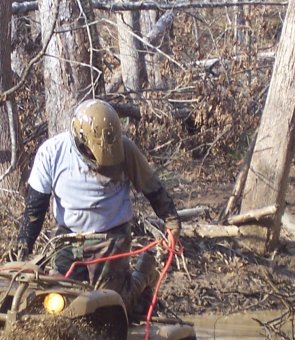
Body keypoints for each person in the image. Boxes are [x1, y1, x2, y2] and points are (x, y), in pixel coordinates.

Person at [16, 99, 181, 318]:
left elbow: (152, 187)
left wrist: (171, 222)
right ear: (81, 139)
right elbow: (35, 208)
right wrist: (22, 246)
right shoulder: (52, 152)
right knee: (58, 301)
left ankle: (144, 275)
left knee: (112, 305)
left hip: (111, 236)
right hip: (67, 238)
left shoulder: (126, 150)